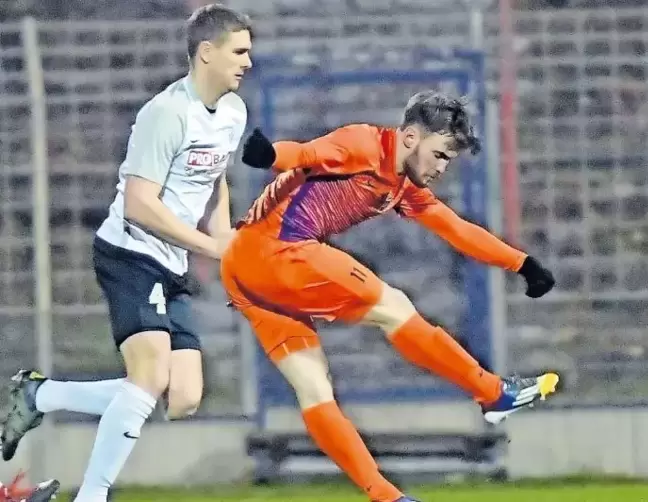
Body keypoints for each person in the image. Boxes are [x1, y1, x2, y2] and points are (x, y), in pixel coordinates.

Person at [222, 90, 559, 502]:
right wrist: (271, 155)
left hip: (241, 269)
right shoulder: (364, 143)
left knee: (313, 387)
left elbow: (457, 229)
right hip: (278, 251)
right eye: (440, 155)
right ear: (413, 138)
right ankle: (492, 393)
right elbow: (307, 154)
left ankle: (385, 495)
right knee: (395, 306)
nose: (442, 167)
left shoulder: (404, 186)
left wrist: (521, 263)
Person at [0, 5, 252, 501]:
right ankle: (91, 496)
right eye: (239, 51)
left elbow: (215, 176)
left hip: (174, 261)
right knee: (149, 377)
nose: (248, 61)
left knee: (182, 398)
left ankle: (39, 394)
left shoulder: (234, 112)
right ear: (206, 52)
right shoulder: (165, 113)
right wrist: (209, 246)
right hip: (131, 254)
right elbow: (138, 205)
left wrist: (225, 238)